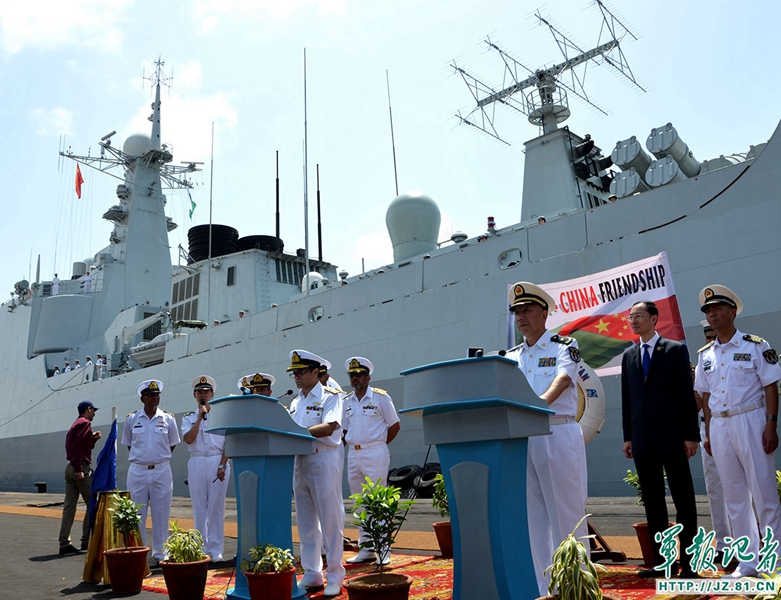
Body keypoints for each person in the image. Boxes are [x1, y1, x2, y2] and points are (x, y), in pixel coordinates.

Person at [505, 281, 589, 596]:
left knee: (567, 516)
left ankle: (577, 587)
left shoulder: (563, 346)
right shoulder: (511, 356)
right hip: (523, 437)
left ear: (544, 313)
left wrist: (534, 405)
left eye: (526, 309)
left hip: (557, 432)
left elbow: (562, 380)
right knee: (534, 521)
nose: (520, 317)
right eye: (516, 312)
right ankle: (547, 588)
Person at [695, 285, 781, 579]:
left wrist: (771, 424)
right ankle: (748, 563)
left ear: (733, 311)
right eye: (708, 311)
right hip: (719, 425)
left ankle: (773, 561)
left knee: (764, 491)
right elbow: (704, 397)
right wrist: (707, 431)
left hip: (751, 420)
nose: (712, 315)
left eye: (717, 309)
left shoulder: (755, 345)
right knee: (735, 498)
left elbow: (771, 386)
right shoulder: (706, 354)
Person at [621, 300, 700, 578]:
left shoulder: (675, 350)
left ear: (654, 318)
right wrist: (628, 437)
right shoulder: (628, 356)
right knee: (654, 504)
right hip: (642, 441)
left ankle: (689, 563)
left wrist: (692, 436)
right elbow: (628, 400)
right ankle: (661, 563)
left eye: (639, 315)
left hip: (673, 438)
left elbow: (686, 396)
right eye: (631, 316)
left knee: (684, 502)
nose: (633, 320)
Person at [287, 349, 345, 597]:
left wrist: (296, 434)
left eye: (301, 372)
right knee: (306, 521)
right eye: (294, 373)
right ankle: (312, 573)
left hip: (323, 458)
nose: (297, 377)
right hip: (300, 462)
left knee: (331, 519)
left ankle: (335, 574)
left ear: (315, 372)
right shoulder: (295, 402)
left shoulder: (331, 396)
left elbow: (331, 427)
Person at [342, 357, 400, 565]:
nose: (355, 378)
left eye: (359, 374)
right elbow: (344, 430)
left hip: (375, 451)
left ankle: (384, 549)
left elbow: (394, 425)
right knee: (359, 502)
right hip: (354, 454)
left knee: (377, 500)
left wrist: (380, 446)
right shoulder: (346, 401)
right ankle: (366, 548)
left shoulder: (380, 397)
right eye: (352, 375)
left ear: (368, 377)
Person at [121, 379, 180, 563]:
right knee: (137, 514)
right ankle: (140, 553)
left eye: (157, 395)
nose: (155, 398)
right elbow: (130, 444)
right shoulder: (132, 419)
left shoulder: (168, 419)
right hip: (138, 470)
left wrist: (156, 459)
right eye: (151, 395)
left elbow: (172, 444)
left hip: (161, 470)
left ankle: (161, 554)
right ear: (143, 399)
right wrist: (144, 460)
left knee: (161, 513)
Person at [181, 375, 229, 562]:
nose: (203, 394)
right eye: (200, 392)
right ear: (194, 395)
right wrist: (199, 419)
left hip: (218, 461)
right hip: (197, 461)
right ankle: (200, 547)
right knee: (199, 507)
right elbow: (188, 439)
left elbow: (228, 443)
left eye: (206, 392)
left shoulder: (222, 417)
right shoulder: (189, 418)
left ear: (212, 394)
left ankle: (216, 549)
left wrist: (222, 465)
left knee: (216, 507)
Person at [695, 321, 731, 563]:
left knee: (742, 487)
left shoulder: (740, 354)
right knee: (715, 489)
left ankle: (747, 542)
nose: (710, 339)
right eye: (707, 336)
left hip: (737, 423)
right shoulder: (703, 360)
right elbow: (699, 404)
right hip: (708, 428)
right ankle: (724, 544)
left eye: (713, 334)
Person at [58, 400, 102, 555]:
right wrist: (79, 470)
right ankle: (87, 540)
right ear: (88, 409)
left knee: (69, 507)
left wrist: (93, 439)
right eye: (93, 411)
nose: (94, 414)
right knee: (92, 504)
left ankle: (64, 542)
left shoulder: (74, 425)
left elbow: (77, 445)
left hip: (69, 467)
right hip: (80, 467)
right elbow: (78, 448)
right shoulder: (85, 424)